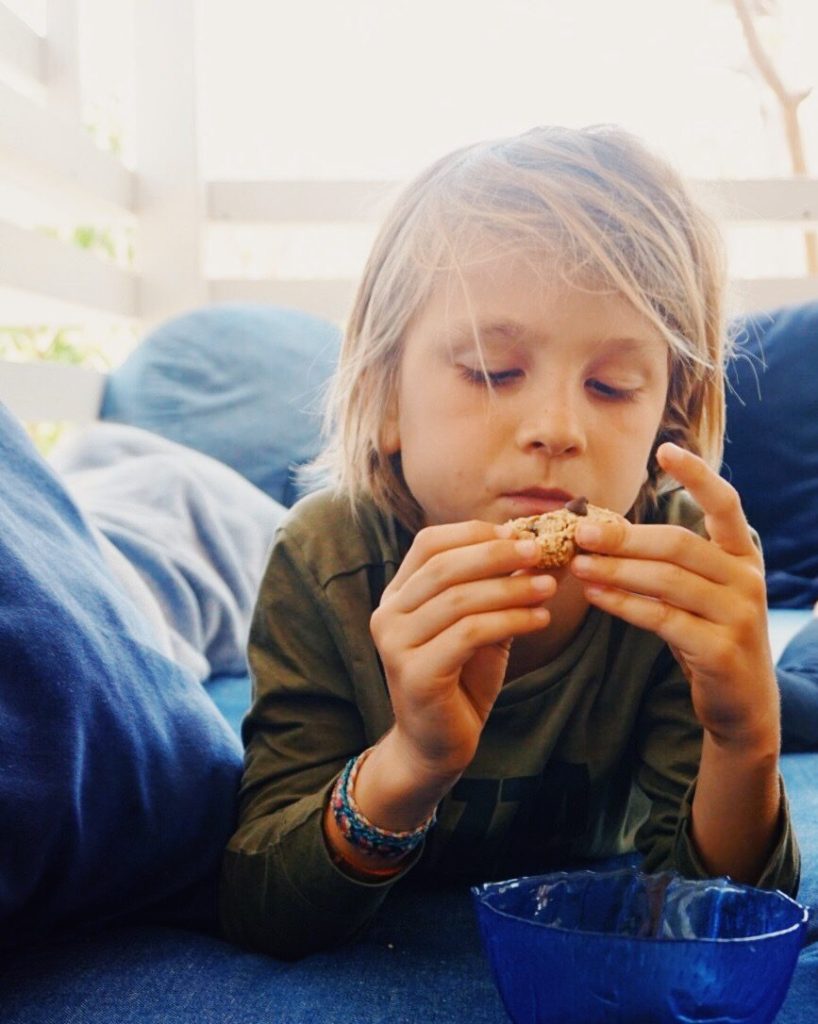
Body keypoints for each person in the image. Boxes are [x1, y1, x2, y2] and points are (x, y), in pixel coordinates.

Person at [219, 125, 799, 959]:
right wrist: (412, 762)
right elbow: (259, 900)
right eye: (492, 371)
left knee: (782, 687)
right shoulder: (326, 561)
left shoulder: (670, 571)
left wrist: (747, 733)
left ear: (665, 418)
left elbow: (716, 920)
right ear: (386, 400)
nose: (557, 429)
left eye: (611, 386)